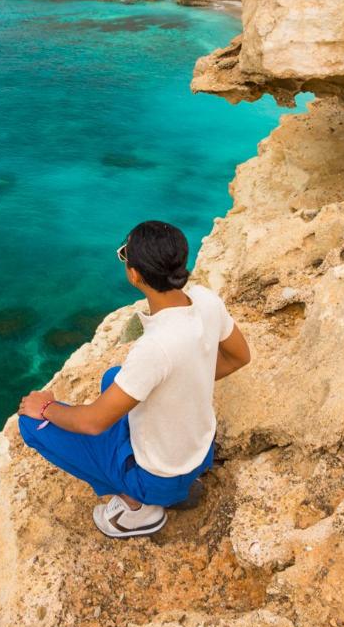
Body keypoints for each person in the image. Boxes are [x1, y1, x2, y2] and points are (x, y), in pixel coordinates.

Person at [17, 220, 251, 538]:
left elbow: (93, 422)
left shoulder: (154, 347)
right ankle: (177, 486)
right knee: (113, 378)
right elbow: (240, 357)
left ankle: (138, 508)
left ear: (135, 274)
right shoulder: (207, 301)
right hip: (199, 452)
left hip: (158, 477)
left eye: (125, 254)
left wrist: (46, 408)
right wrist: (188, 379)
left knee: (31, 426)